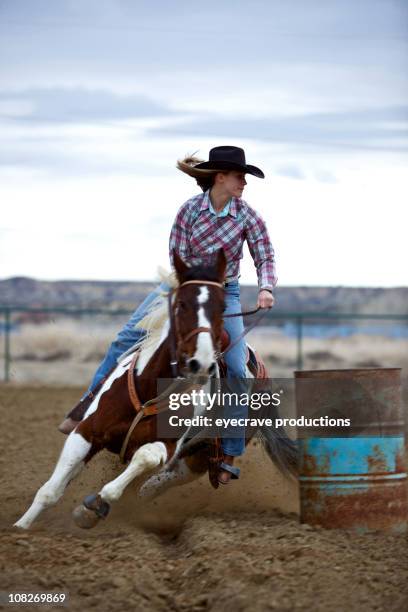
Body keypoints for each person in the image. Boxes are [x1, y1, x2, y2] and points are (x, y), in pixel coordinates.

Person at [58, 145, 277, 484]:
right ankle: (87, 406)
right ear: (221, 177)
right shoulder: (189, 210)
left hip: (224, 292)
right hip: (181, 285)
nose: (244, 183)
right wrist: (187, 289)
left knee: (235, 367)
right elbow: (176, 253)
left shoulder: (249, 216)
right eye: (239, 176)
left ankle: (229, 451)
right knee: (126, 338)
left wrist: (266, 288)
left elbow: (265, 256)